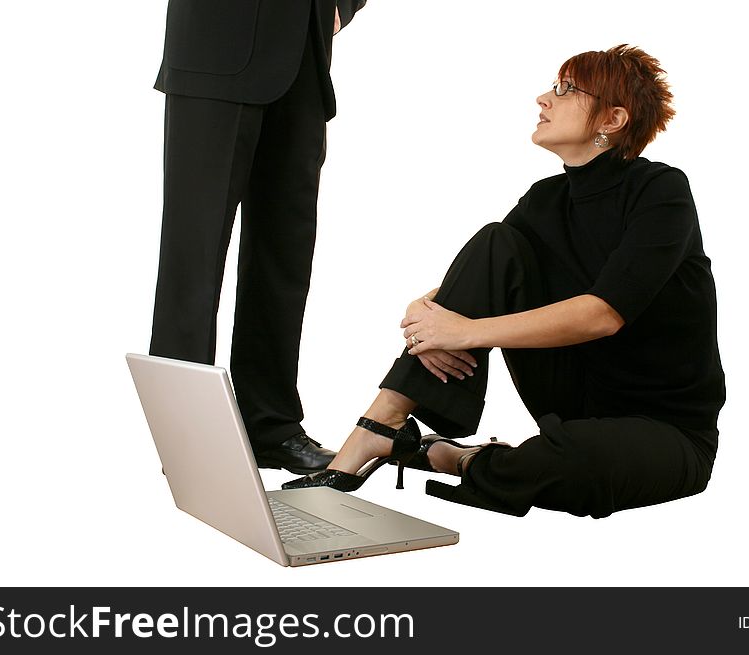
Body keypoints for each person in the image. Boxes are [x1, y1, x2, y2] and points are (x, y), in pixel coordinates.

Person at [283, 45, 726, 519]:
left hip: (665, 430)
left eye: (565, 89)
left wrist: (464, 332)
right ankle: (380, 423)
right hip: (574, 397)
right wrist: (427, 309)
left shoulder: (661, 191)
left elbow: (604, 314)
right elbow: (486, 272)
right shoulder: (545, 199)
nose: (543, 98)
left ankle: (448, 455)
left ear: (612, 119)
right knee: (497, 240)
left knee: (568, 464)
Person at [148, 1, 367, 475]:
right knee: (195, 257)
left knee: (284, 257)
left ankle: (270, 428)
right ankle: (184, 433)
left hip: (305, 56)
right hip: (214, 52)